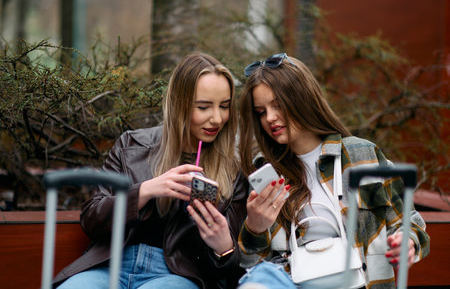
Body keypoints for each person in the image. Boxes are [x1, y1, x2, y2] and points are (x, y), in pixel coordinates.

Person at [54, 52, 248, 289]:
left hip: (176, 275)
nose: (217, 118)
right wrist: (144, 191)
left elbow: (231, 271)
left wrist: (223, 248)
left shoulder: (232, 172)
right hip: (110, 265)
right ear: (180, 104)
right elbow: (92, 219)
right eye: (204, 107)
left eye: (224, 106)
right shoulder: (132, 146)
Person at [236, 53, 430, 289]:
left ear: (302, 99)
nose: (270, 118)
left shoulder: (361, 155)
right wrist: (255, 227)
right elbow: (251, 263)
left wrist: (406, 243)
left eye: (277, 105)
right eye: (261, 111)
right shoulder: (265, 171)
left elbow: (410, 222)